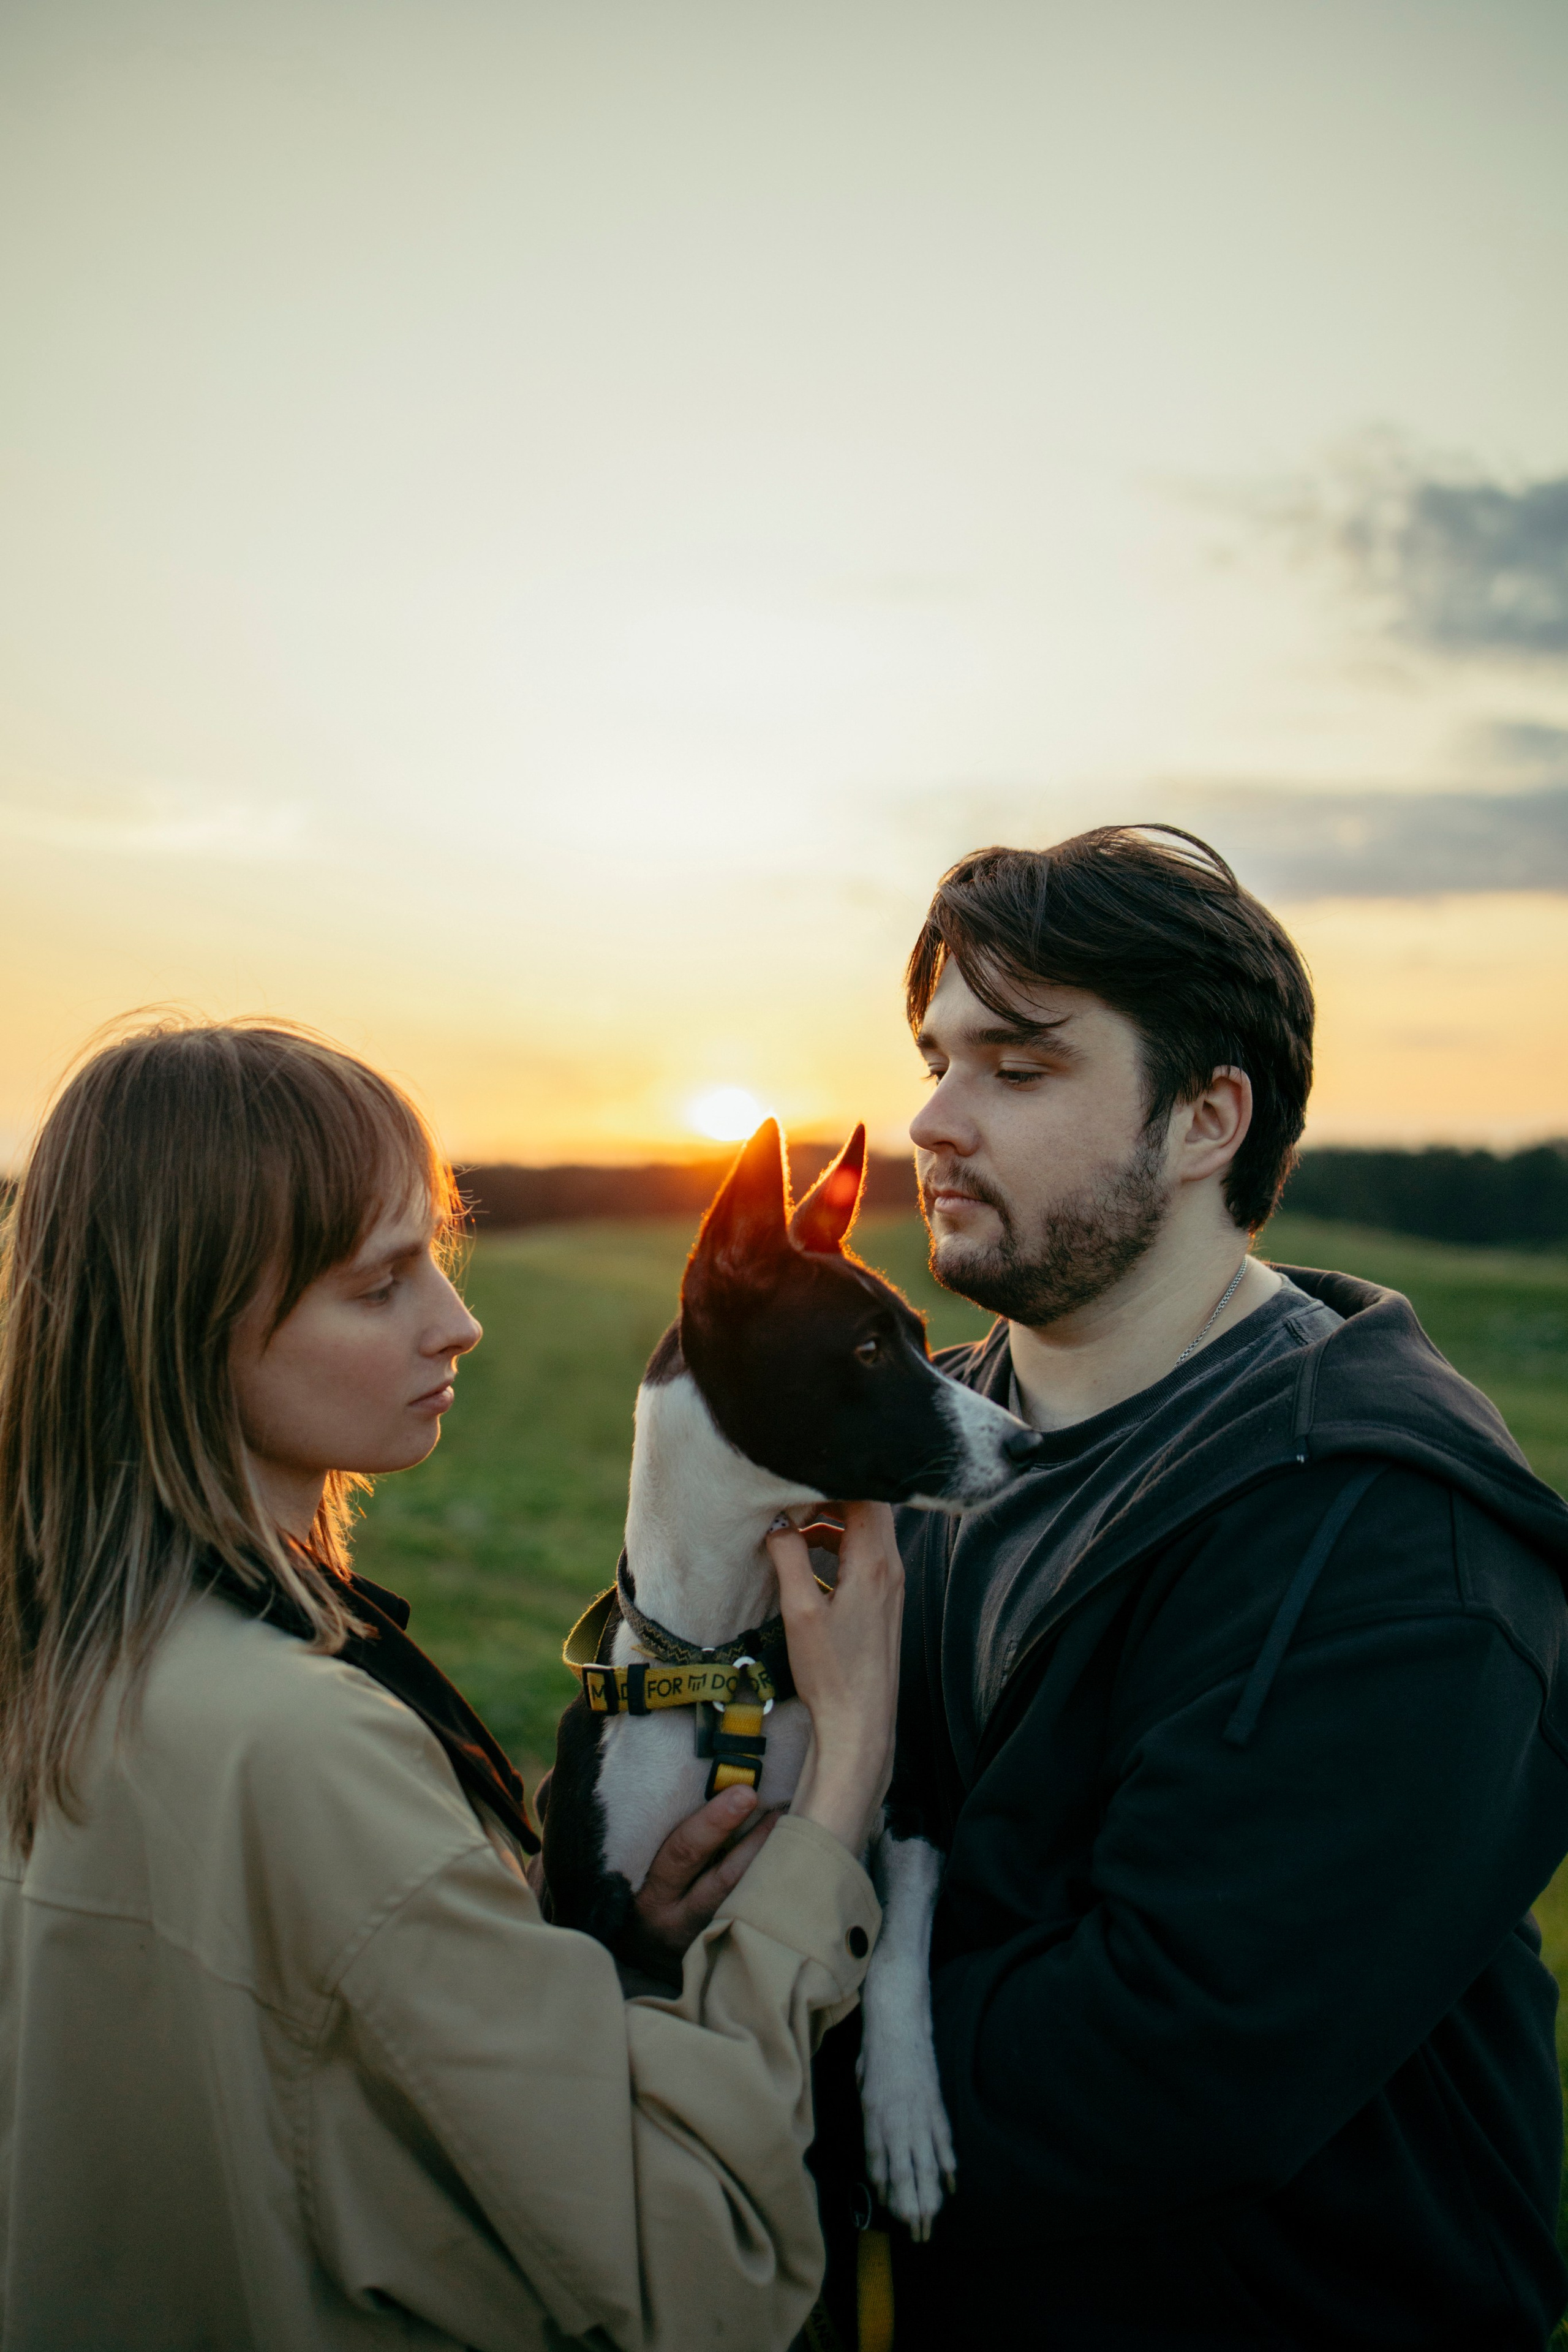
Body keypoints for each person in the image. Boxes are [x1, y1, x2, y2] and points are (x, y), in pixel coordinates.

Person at [0, 1018, 903, 2352]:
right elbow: (694, 2273)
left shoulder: (67, 1668)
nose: (459, 1322)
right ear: (185, 1326)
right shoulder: (307, 1745)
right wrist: (834, 1803)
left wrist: (613, 1959)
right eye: (379, 1286)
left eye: (441, 1251)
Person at [878, 827, 1568, 2350]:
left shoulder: (1394, 1544)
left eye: (1016, 1067)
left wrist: (732, 2048)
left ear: (1205, 1120)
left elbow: (1166, 2068)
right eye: (935, 1057)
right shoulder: (893, 1460)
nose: (930, 1118)